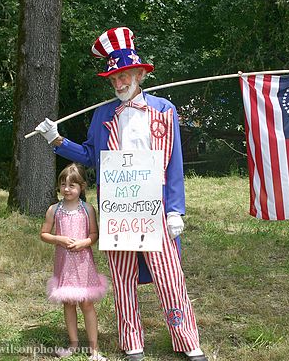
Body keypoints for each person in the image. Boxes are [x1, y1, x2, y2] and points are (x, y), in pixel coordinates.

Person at [35, 27, 208, 361]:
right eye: (113, 78)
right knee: (123, 279)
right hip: (118, 211)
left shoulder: (164, 110)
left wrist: (175, 210)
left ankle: (187, 340)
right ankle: (132, 343)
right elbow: (89, 155)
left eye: (125, 76)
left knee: (170, 277)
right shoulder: (102, 116)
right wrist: (57, 140)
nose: (118, 83)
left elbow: (173, 163)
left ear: (140, 74)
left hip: (154, 207)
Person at [40, 163, 109, 361]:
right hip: (64, 265)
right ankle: (73, 344)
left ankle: (94, 349)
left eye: (72, 185)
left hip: (83, 263)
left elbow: (94, 234)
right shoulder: (54, 210)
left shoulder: (88, 209)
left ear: (82, 187)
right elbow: (44, 234)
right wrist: (58, 239)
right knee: (68, 303)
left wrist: (84, 242)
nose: (67, 189)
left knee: (87, 303)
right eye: (63, 185)